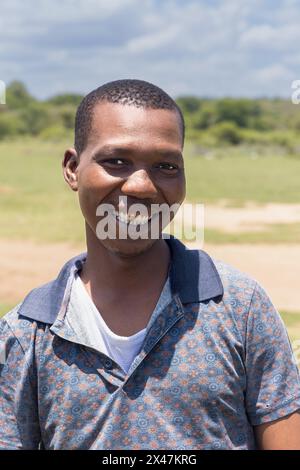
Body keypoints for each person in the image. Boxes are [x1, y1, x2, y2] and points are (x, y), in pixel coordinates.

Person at [0, 79, 299, 450]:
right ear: (73, 168)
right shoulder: (26, 334)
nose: (141, 186)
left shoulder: (240, 307)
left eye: (166, 166)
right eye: (117, 161)